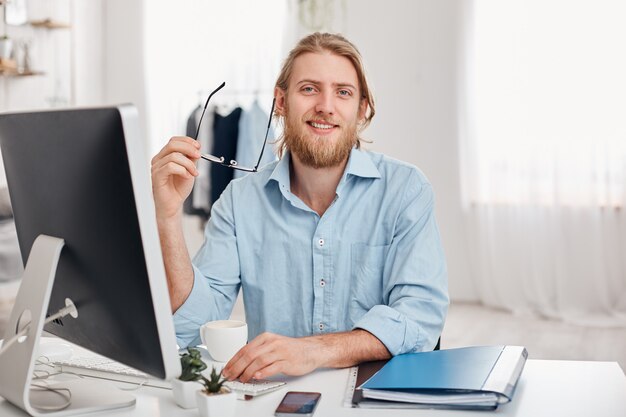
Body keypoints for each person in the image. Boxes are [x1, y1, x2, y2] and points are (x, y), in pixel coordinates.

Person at [151, 32, 448, 383]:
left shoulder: (406, 190)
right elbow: (191, 326)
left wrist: (313, 350)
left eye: (343, 92)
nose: (325, 105)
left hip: (376, 397)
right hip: (275, 399)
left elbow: (420, 317)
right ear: (281, 101)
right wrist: (167, 217)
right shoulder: (238, 202)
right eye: (309, 89)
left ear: (362, 108)